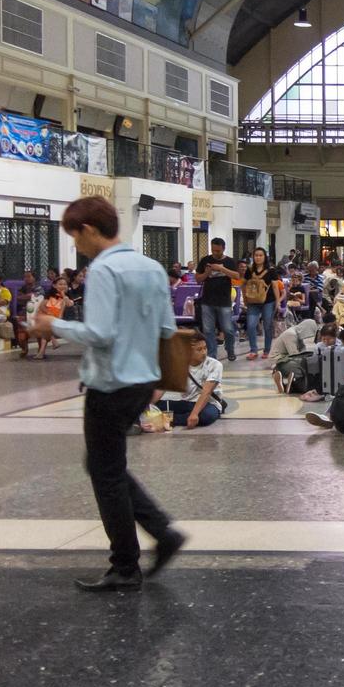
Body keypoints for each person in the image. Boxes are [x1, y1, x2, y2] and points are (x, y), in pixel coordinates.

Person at [28, 196, 185, 591]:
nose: (76, 245)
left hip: (110, 383)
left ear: (90, 230)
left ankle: (127, 564)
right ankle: (160, 533)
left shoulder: (104, 269)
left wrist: (53, 326)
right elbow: (168, 328)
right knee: (104, 465)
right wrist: (160, 381)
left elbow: (99, 333)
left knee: (106, 472)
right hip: (141, 381)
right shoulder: (151, 267)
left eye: (75, 236)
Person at [154, 335, 225, 429]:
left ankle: (164, 420)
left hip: (209, 404)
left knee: (206, 416)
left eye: (205, 348)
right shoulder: (179, 364)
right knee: (151, 405)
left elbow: (206, 392)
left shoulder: (215, 365)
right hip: (187, 403)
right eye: (199, 350)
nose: (204, 352)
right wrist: (148, 405)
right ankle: (171, 418)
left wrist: (194, 414)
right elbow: (162, 388)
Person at [196, 237, 237, 361]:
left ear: (223, 249)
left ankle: (230, 349)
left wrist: (222, 269)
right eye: (213, 250)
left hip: (224, 301)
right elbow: (198, 279)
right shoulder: (205, 260)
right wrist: (207, 273)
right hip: (207, 301)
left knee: (228, 329)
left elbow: (237, 276)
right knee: (208, 330)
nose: (215, 253)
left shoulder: (230, 261)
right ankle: (212, 355)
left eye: (218, 251)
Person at [243, 247, 282, 361]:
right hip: (252, 302)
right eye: (256, 255)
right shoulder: (249, 270)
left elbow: (275, 286)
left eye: (261, 255)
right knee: (250, 325)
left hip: (268, 301)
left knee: (267, 326)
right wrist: (245, 297)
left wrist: (277, 301)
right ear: (253, 257)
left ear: (265, 257)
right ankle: (253, 350)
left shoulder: (271, 271)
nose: (258, 257)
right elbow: (244, 284)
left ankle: (267, 350)